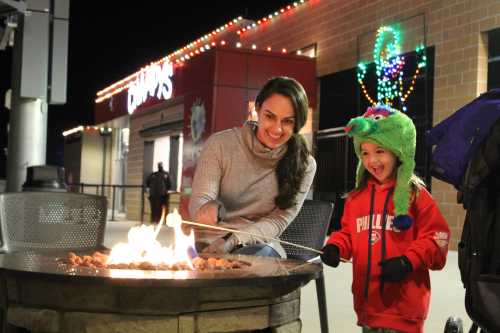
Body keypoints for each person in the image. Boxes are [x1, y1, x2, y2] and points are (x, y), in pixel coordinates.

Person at [320, 105, 450, 333]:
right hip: (368, 306)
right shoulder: (356, 199)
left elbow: (437, 238)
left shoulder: (416, 196)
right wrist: (335, 246)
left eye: (380, 151)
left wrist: (408, 261)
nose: (373, 161)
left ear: (397, 151)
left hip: (405, 308)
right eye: (366, 153)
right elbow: (348, 234)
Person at [188, 76, 316, 257]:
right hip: (209, 245)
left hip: (259, 246)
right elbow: (199, 204)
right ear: (257, 109)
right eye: (270, 116)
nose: (277, 129)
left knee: (255, 262)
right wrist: (206, 210)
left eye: (288, 121)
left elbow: (278, 221)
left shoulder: (305, 164)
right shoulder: (220, 145)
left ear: (298, 124)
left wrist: (233, 240)